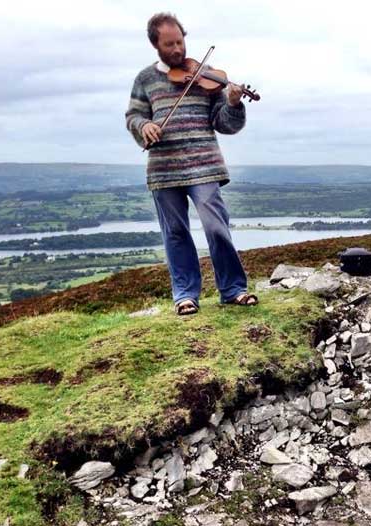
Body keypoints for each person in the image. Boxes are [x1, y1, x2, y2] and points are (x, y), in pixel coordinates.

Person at [125, 12, 257, 316]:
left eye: (180, 42)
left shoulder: (206, 75)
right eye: (169, 44)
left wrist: (234, 104)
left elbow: (224, 124)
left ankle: (233, 289)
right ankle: (185, 295)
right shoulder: (145, 79)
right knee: (175, 233)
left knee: (216, 226)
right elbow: (133, 116)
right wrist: (143, 126)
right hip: (164, 169)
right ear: (155, 45)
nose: (177, 50)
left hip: (204, 165)